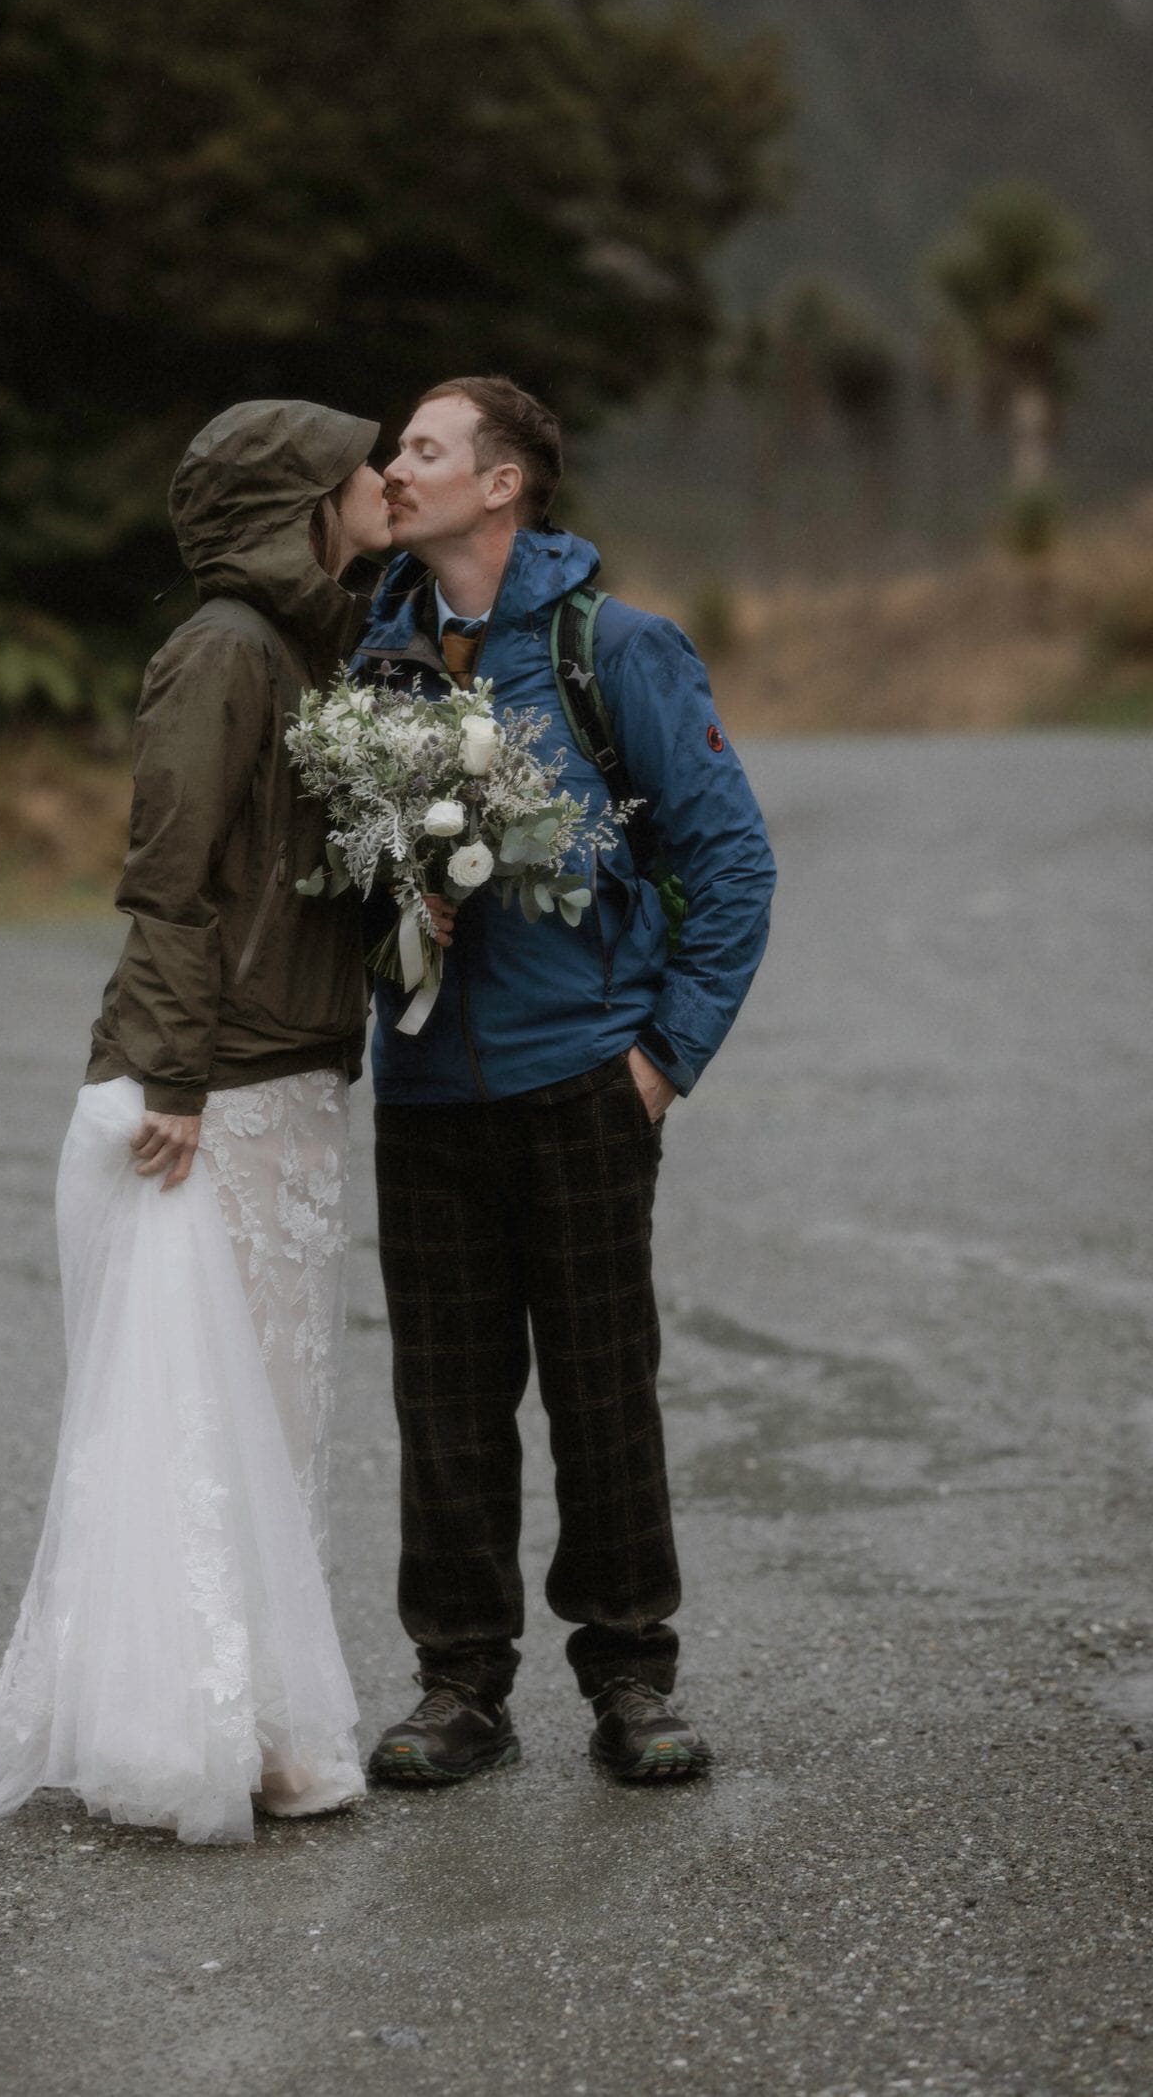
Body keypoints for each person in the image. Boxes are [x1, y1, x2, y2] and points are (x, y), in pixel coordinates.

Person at [0, 400, 393, 1844]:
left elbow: (288, 868)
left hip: (288, 1068)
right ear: (298, 499)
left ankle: (265, 1720)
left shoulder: (313, 646)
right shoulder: (224, 652)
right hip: (211, 1085)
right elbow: (169, 876)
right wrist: (172, 1075)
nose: (376, 482)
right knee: (202, 1417)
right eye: (355, 466)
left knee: (277, 1415)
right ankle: (199, 1731)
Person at [354, 375, 775, 1788]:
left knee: (603, 1390)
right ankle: (460, 1687)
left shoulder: (616, 649)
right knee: (445, 1402)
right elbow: (341, 884)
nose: (392, 469)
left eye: (422, 449)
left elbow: (730, 863)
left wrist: (661, 1063)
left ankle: (633, 1676)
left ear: (502, 483)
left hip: (584, 1081)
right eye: (395, 449)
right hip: (423, 1095)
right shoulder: (376, 667)